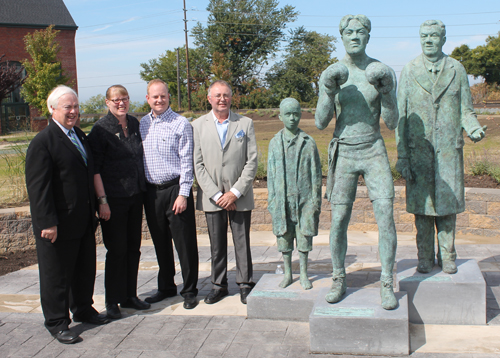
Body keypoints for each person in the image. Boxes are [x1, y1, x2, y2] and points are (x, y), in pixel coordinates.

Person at [315, 14, 399, 310]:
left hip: (374, 148)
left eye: (360, 32)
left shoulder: (381, 71)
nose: (354, 36)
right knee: (338, 221)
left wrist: (387, 92)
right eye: (348, 32)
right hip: (345, 151)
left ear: (368, 36)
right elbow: (321, 122)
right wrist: (328, 90)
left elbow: (392, 121)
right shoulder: (333, 72)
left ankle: (387, 281)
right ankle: (339, 278)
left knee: (386, 217)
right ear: (341, 36)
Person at [396, 20, 486, 274]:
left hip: (448, 152)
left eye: (434, 36)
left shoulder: (457, 69)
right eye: (424, 35)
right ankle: (424, 256)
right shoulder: (410, 70)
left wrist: (474, 127)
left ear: (443, 39)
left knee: (447, 209)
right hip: (419, 154)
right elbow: (401, 116)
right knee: (422, 211)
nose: (428, 40)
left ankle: (448, 255)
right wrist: (402, 155)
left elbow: (465, 110)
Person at [25, 85, 109, 344]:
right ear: (52, 110)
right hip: (57, 224)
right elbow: (39, 189)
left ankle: (83, 308)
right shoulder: (43, 142)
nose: (73, 112)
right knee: (57, 275)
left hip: (83, 220)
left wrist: (99, 203)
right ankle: (57, 322)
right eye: (67, 107)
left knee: (84, 269)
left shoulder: (79, 136)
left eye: (75, 107)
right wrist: (48, 222)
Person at [192, 80, 258, 304]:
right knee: (216, 244)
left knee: (242, 241)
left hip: (239, 196)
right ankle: (219, 285)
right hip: (212, 198)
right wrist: (218, 195)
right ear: (209, 99)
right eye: (217, 95)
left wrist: (234, 193)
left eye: (226, 95)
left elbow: (251, 162)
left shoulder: (245, 123)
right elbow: (197, 165)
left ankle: (245, 283)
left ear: (232, 98)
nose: (222, 99)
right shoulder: (197, 125)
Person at [88, 85, 149, 319]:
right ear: (107, 102)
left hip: (135, 196)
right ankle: (113, 300)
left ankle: (129, 296)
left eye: (124, 99)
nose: (121, 103)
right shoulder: (100, 130)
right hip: (112, 199)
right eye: (116, 100)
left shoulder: (134, 123)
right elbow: (95, 169)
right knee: (117, 250)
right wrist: (102, 201)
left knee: (133, 248)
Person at [139, 79, 199, 310]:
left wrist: (183, 194)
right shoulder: (142, 124)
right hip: (152, 193)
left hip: (176, 190)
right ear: (148, 99)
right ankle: (166, 287)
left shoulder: (181, 123)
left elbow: (187, 161)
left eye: (162, 96)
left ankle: (190, 290)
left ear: (168, 96)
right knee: (160, 243)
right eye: (154, 96)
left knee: (184, 243)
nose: (159, 100)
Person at [267, 98, 322, 290]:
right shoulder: (275, 143)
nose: (292, 118)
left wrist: (315, 200)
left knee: (304, 238)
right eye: (288, 114)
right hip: (282, 200)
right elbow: (270, 174)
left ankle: (305, 274)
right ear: (280, 116)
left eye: (296, 114)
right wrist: (272, 200)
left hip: (304, 200)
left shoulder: (308, 142)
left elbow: (316, 174)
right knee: (285, 238)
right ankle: (288, 274)